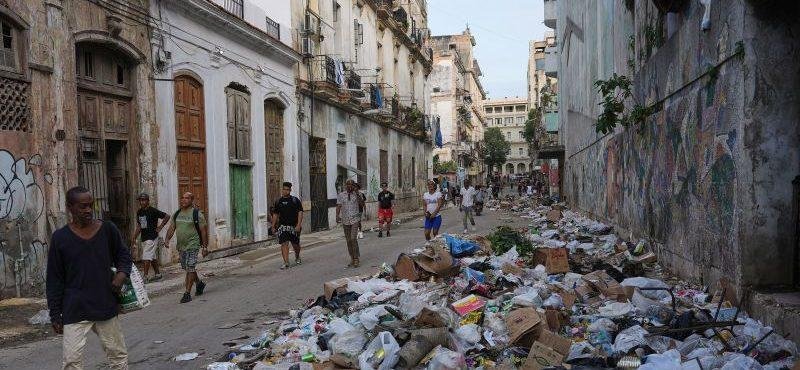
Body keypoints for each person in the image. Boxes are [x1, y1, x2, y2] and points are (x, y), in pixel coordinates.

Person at [47, 186, 131, 370]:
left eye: (90, 206)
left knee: (117, 356)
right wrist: (55, 314)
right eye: (82, 206)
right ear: (70, 207)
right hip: (75, 308)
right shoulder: (60, 238)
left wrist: (121, 275)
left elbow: (124, 256)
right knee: (71, 361)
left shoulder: (108, 229)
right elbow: (54, 279)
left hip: (105, 303)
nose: (88, 211)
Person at [165, 192, 208, 303]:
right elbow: (172, 228)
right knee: (188, 268)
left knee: (190, 267)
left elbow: (203, 231)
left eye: (187, 198)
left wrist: (204, 247)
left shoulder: (197, 214)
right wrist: (167, 239)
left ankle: (187, 293)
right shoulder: (177, 213)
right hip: (181, 247)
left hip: (193, 245)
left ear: (191, 200)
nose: (183, 200)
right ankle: (199, 283)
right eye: (182, 198)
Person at [131, 193, 169, 282]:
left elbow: (167, 216)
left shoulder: (153, 211)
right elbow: (140, 226)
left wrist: (160, 227)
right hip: (144, 237)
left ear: (148, 201)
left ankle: (145, 276)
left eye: (144, 200)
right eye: (140, 200)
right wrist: (134, 237)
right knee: (152, 256)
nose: (142, 202)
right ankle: (158, 274)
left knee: (146, 256)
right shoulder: (139, 212)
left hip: (152, 237)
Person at [271, 182, 304, 270]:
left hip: (294, 226)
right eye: (283, 189)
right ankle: (286, 262)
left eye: (287, 189)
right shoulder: (278, 201)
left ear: (290, 190)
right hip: (283, 227)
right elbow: (275, 214)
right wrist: (273, 226)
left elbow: (300, 212)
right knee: (284, 243)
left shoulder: (295, 200)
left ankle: (297, 257)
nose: (285, 191)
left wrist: (298, 225)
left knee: (295, 245)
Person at [336, 179, 364, 268]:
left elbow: (362, 204)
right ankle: (352, 258)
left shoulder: (357, 194)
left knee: (353, 239)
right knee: (348, 241)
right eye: (348, 185)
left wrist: (357, 194)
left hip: (355, 219)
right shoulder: (341, 195)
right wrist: (337, 215)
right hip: (345, 220)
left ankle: (356, 258)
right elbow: (339, 206)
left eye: (351, 185)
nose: (350, 186)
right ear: (345, 186)